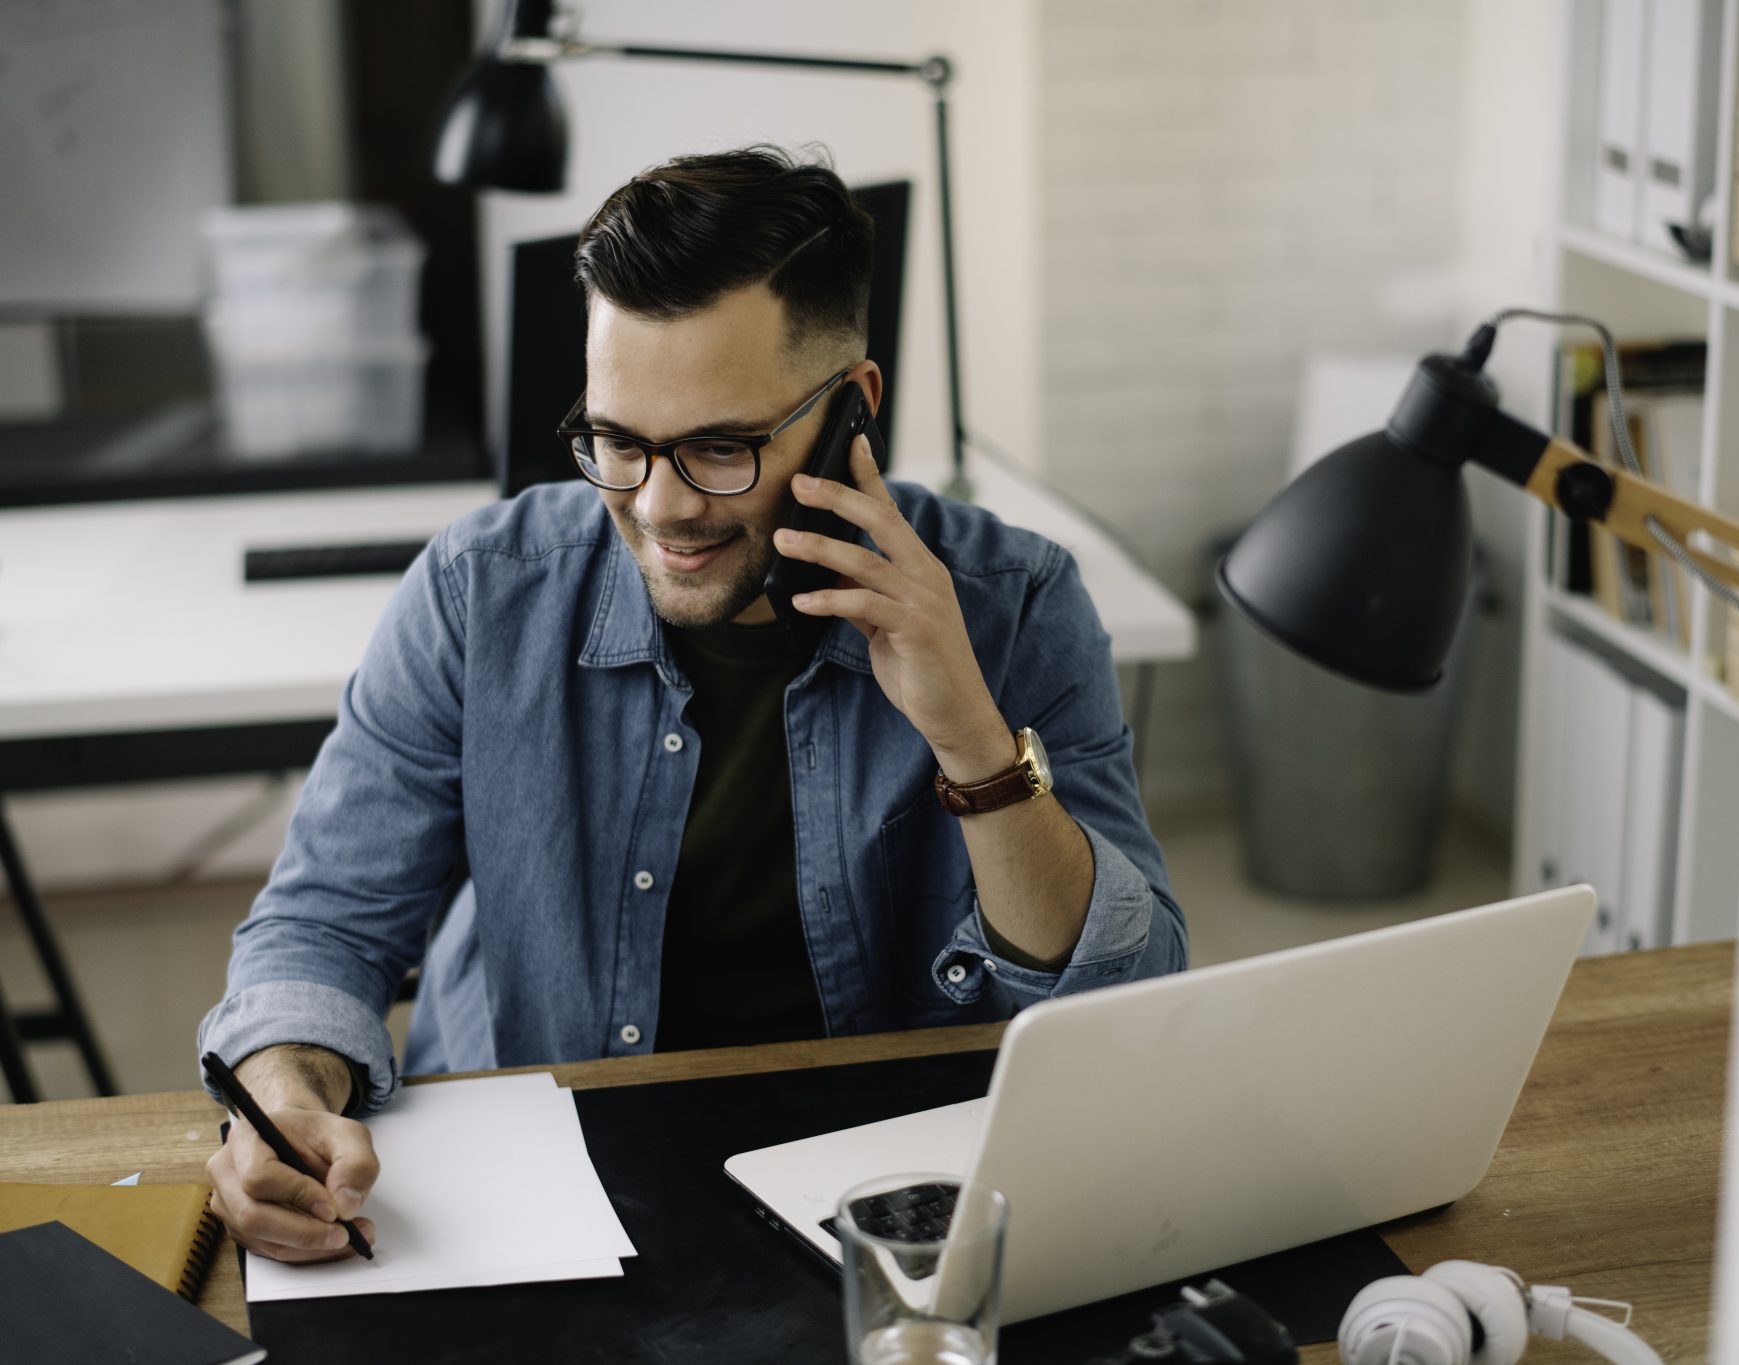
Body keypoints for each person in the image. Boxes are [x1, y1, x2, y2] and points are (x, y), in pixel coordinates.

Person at [197, 146, 1185, 1264]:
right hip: (541, 1181)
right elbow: (323, 924)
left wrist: (966, 733)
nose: (662, 509)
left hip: (882, 1199)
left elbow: (1128, 1006)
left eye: (719, 448)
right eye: (617, 442)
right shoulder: (482, 591)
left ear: (852, 411)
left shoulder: (1014, 604)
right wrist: (278, 1100)